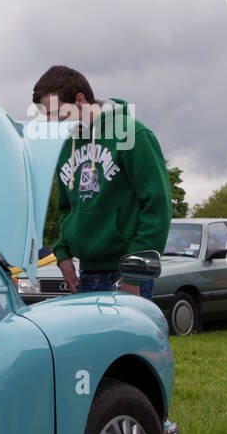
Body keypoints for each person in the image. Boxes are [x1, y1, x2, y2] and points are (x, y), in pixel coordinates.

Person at [33, 65, 171, 299]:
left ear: (79, 99)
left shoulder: (132, 134)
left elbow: (157, 206)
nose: (50, 121)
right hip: (85, 275)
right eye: (45, 114)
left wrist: (134, 271)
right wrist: (63, 254)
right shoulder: (66, 144)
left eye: (55, 113)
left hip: (126, 274)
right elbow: (67, 209)